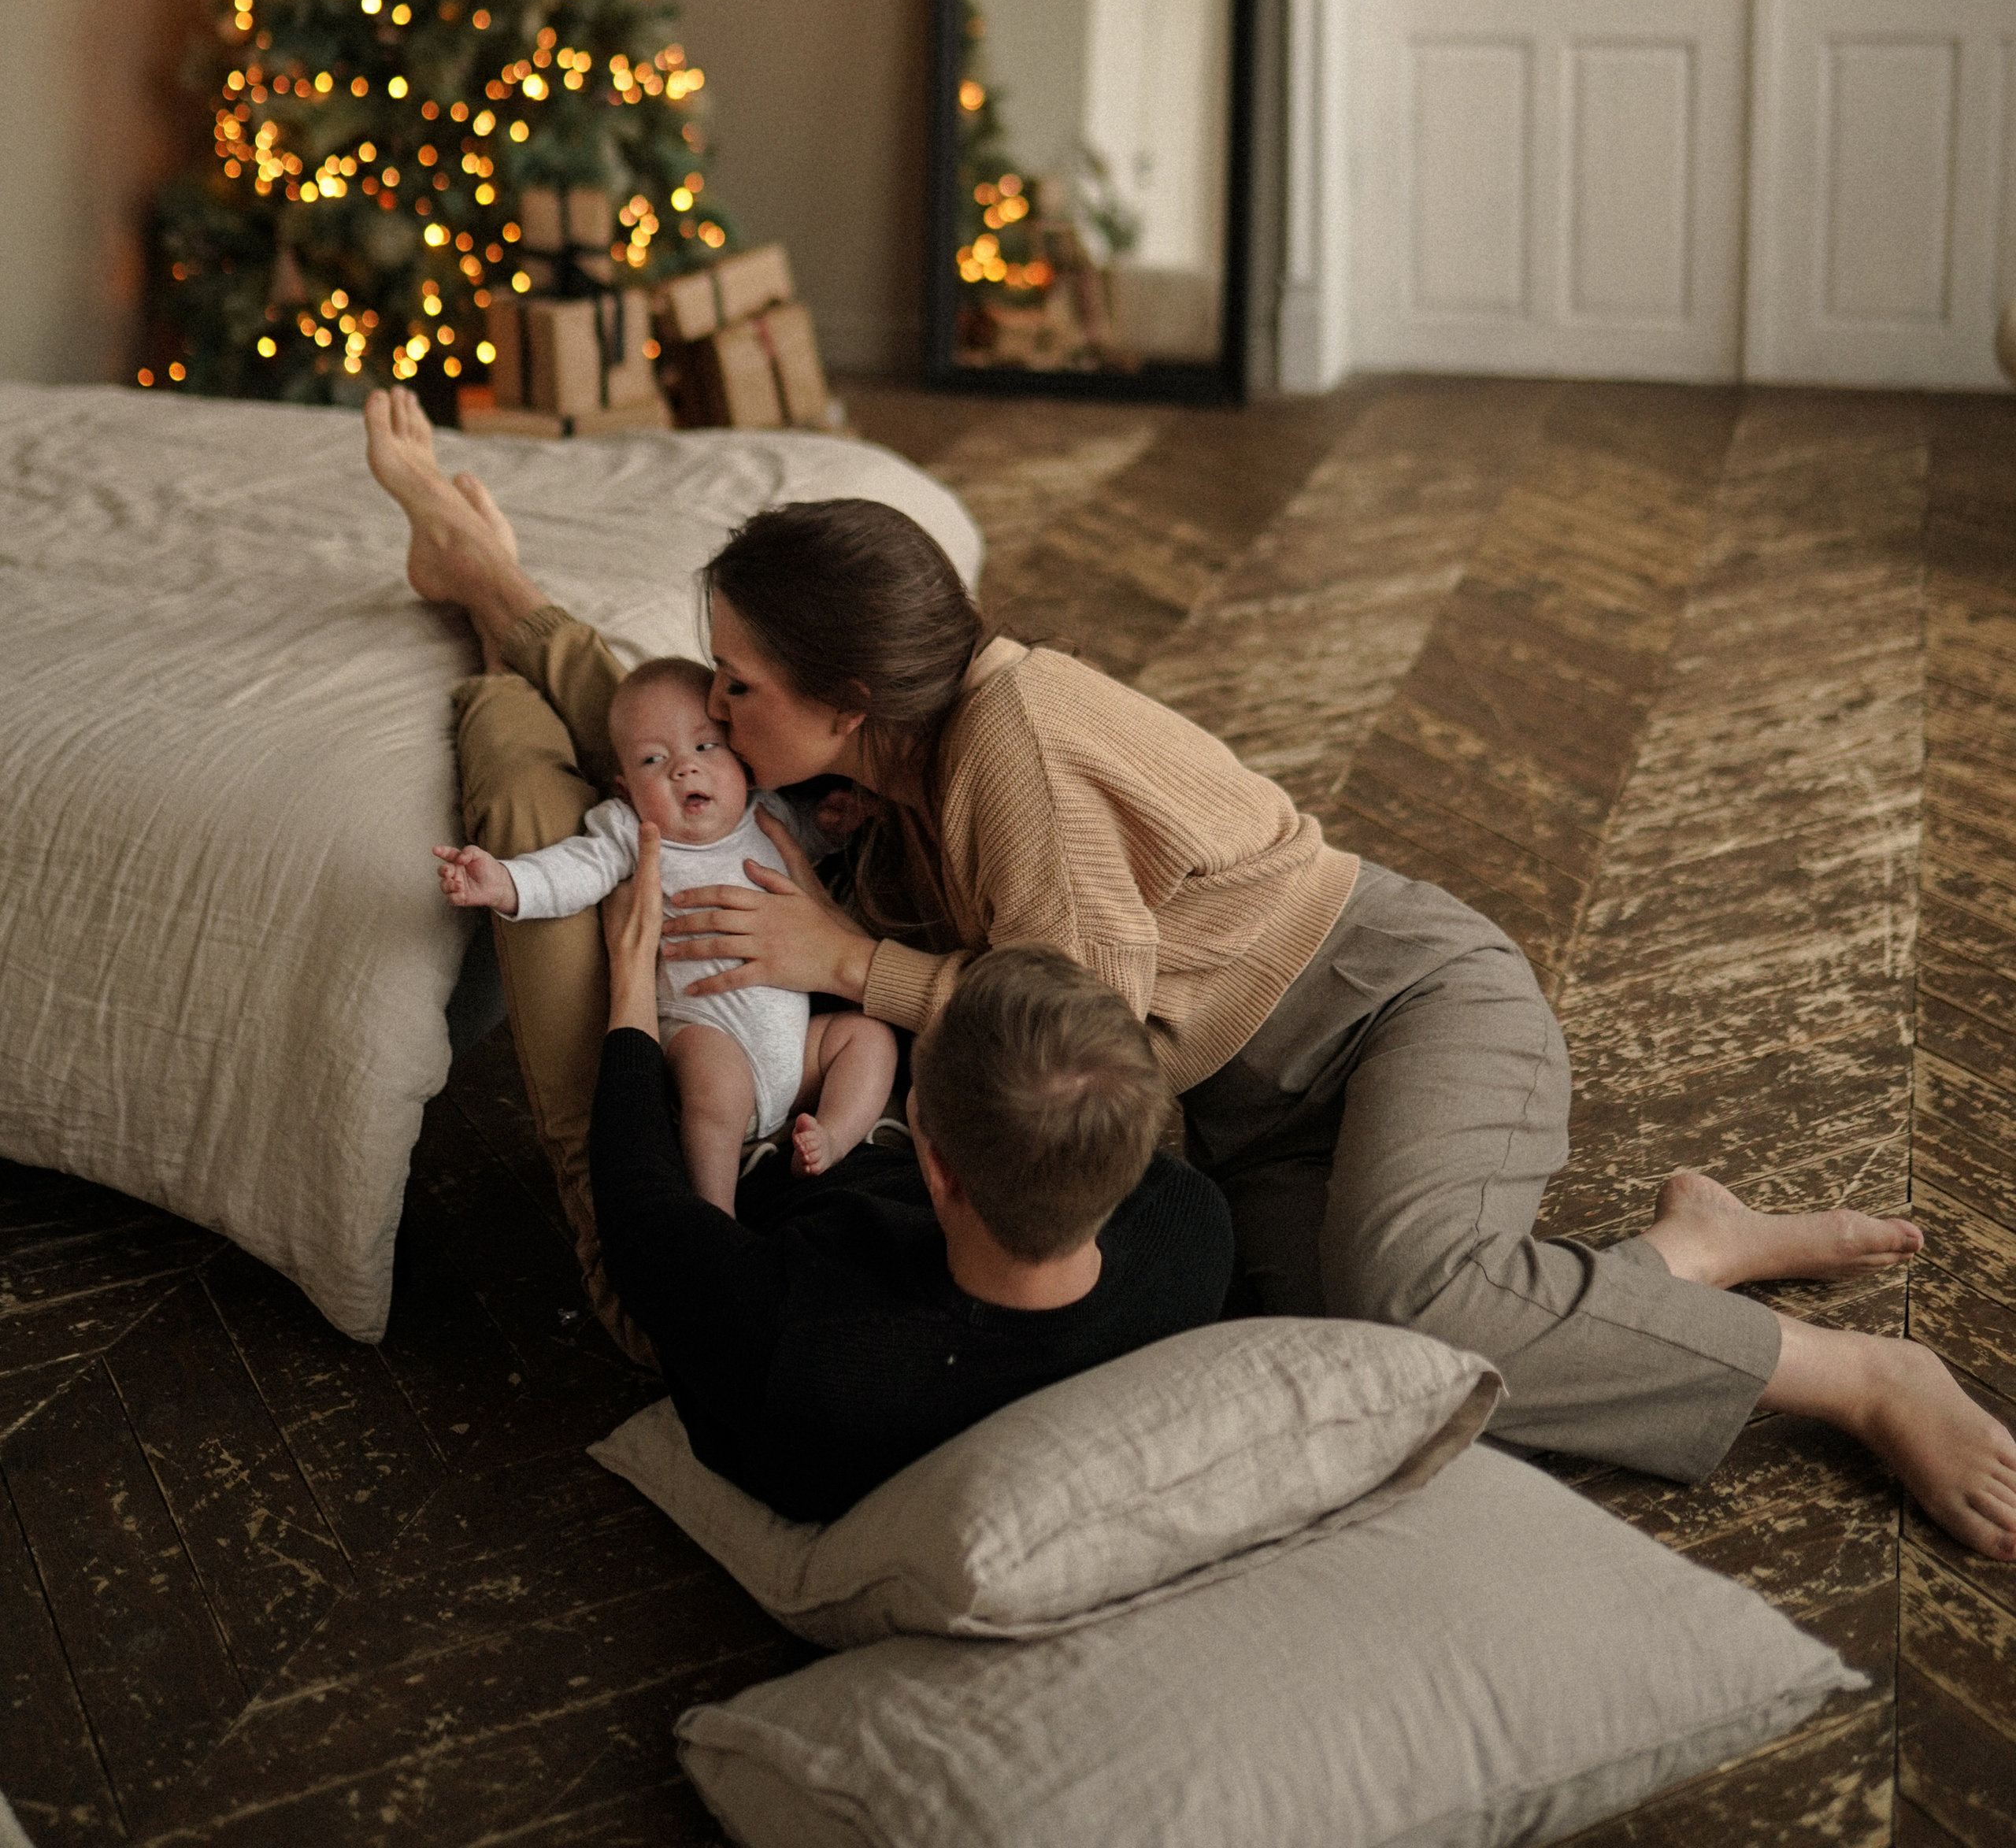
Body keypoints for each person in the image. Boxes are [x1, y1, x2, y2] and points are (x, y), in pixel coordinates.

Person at [365, 386, 2016, 1562]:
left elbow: (1079, 1045)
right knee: (1334, 1366)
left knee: (1419, 1306)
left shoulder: (1007, 735)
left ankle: (1861, 1379)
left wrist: (851, 958)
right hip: (1237, 1114)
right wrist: (494, 590)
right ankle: (1677, 1257)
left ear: (847, 693)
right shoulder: (843, 760)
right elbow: (641, 718)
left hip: (1389, 1009)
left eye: (739, 688)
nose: (714, 721)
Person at [592, 846, 1235, 1520]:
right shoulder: (1190, 1226)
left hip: (721, 1165)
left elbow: (637, 1208)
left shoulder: (810, 1345)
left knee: (547, 817)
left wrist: (632, 964)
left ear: (940, 1170)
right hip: (842, 1118)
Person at [437, 654, 898, 1203]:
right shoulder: (630, 831)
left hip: (799, 1057)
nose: (685, 768)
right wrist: (506, 881)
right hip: (709, 1030)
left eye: (706, 747)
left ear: (743, 760)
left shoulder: (768, 812)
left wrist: (835, 823)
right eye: (654, 760)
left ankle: (833, 1136)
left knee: (868, 1037)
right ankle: (714, 1210)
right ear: (626, 789)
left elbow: (816, 844)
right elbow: (574, 869)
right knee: (716, 1086)